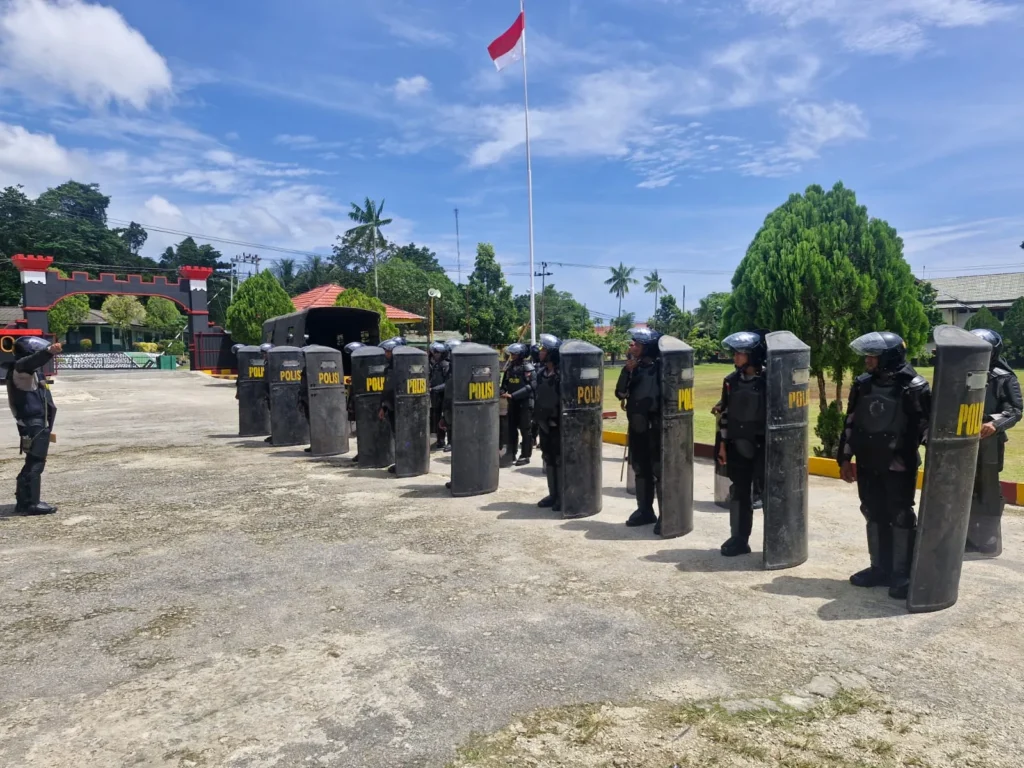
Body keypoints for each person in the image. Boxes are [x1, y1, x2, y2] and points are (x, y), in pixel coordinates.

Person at [838, 332, 931, 600]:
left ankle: (902, 573)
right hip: (868, 460)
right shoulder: (863, 384)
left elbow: (927, 427)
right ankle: (879, 568)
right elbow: (851, 422)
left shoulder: (915, 386)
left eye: (873, 356)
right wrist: (844, 458)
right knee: (871, 510)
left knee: (900, 514)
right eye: (867, 355)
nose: (867, 360)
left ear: (889, 357)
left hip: (898, 462)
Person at [966, 329, 1022, 557]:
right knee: (964, 490)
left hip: (989, 441)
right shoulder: (963, 371)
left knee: (987, 490)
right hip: (962, 438)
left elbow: (1015, 411)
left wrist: (995, 424)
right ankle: (966, 536)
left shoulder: (1004, 377)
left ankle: (988, 539)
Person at [717, 330, 768, 557]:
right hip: (738, 445)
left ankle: (775, 541)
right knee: (739, 493)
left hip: (764, 447)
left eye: (741, 353)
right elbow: (725, 414)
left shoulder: (770, 381)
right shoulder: (731, 381)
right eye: (735, 353)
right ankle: (739, 538)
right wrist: (722, 445)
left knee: (770, 495)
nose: (736, 357)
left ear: (753, 355)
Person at [6, 337, 61, 516]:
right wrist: (48, 352)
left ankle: (24, 501)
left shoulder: (27, 371)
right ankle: (31, 503)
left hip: (33, 423)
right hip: (33, 424)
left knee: (32, 462)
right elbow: (31, 361)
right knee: (36, 463)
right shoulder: (22, 368)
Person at [615, 328, 663, 534]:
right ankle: (645, 510)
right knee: (640, 469)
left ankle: (666, 514)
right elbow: (619, 393)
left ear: (646, 347)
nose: (631, 346)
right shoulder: (631, 368)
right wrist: (628, 372)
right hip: (637, 426)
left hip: (655, 428)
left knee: (658, 470)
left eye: (635, 343)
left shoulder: (660, 368)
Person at [533, 334, 562, 510]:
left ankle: (561, 496)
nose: (541, 352)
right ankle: (553, 494)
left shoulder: (561, 374)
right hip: (544, 423)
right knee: (548, 458)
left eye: (544, 349)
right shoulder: (541, 373)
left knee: (559, 460)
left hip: (558, 424)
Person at [500, 343, 536, 466]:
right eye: (511, 354)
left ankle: (525, 455)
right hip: (513, 403)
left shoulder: (528, 367)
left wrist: (513, 395)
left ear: (521, 355)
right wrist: (502, 391)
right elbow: (505, 383)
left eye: (514, 354)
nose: (512, 356)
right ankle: (511, 453)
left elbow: (531, 386)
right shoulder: (510, 368)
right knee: (511, 429)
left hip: (525, 403)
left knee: (526, 430)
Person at [378, 338, 405, 474]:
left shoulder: (402, 368)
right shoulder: (389, 369)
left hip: (403, 408)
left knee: (403, 436)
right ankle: (399, 462)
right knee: (396, 435)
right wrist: (383, 407)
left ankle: (405, 462)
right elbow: (386, 390)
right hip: (392, 407)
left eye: (388, 352)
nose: (386, 354)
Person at [439, 339, 461, 453]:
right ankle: (450, 442)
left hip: (456, 397)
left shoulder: (460, 365)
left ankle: (454, 442)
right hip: (448, 396)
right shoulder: (450, 365)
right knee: (448, 420)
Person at [428, 341, 449, 450]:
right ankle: (439, 440)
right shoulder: (436, 365)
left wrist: (434, 389)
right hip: (435, 396)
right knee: (436, 418)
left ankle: (444, 441)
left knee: (444, 418)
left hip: (443, 396)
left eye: (437, 353)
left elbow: (447, 383)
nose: (435, 355)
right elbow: (432, 379)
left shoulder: (445, 364)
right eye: (434, 353)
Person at [259, 342, 273, 443]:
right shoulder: (267, 363)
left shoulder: (274, 364)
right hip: (269, 394)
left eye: (265, 354)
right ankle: (274, 434)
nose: (263, 356)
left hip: (274, 394)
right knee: (272, 415)